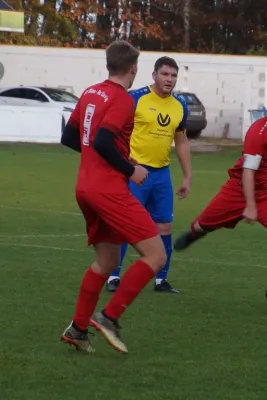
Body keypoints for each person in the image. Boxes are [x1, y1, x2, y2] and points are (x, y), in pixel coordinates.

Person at [59, 40, 167, 354]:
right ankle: (108, 317)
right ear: (133, 68)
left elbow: (69, 137)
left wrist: (107, 158)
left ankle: (78, 329)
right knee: (156, 255)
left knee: (107, 260)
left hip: (85, 188)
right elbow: (105, 141)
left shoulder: (91, 92)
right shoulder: (122, 99)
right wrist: (129, 169)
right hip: (108, 190)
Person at [172, 83, 267, 301]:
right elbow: (248, 171)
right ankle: (196, 232)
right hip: (239, 191)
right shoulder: (258, 132)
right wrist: (251, 205)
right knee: (202, 224)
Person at [106, 56, 191, 294]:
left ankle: (160, 280)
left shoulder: (180, 105)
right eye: (164, 74)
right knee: (126, 226)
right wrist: (123, 164)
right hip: (135, 173)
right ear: (154, 75)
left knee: (164, 226)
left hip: (162, 174)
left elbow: (181, 142)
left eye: (173, 76)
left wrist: (187, 176)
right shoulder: (135, 98)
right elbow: (114, 132)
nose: (169, 79)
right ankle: (113, 276)